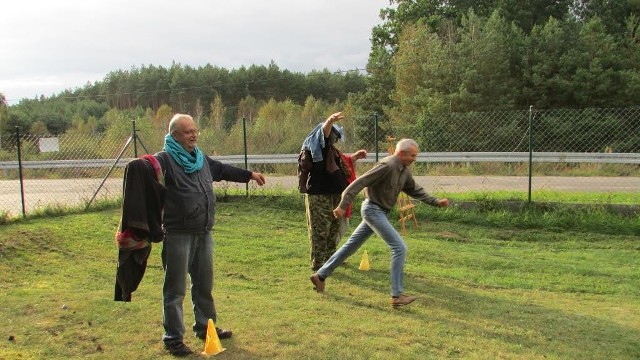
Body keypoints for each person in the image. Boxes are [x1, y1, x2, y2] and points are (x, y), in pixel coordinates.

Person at [155, 114, 266, 357]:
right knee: (175, 290)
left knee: (204, 285)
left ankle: (206, 327)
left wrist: (249, 175)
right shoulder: (163, 160)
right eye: (187, 132)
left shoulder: (200, 159)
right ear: (174, 135)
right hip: (178, 235)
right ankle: (173, 338)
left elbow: (223, 170)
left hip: (203, 232)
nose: (193, 135)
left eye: (195, 130)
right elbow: (145, 175)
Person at [309, 138, 449, 307]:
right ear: (402, 153)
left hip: (379, 212)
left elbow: (414, 190)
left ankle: (320, 275)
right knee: (399, 247)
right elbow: (359, 183)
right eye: (412, 155)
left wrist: (435, 202)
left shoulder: (403, 171)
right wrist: (342, 205)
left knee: (351, 246)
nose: (414, 159)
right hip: (372, 210)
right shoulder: (387, 165)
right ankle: (396, 295)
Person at [300, 112, 367, 271]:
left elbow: (341, 161)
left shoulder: (331, 150)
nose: (335, 140)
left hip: (335, 196)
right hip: (319, 196)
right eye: (333, 137)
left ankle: (330, 261)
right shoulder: (317, 147)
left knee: (333, 231)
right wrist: (330, 120)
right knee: (320, 232)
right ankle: (318, 266)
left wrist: (355, 157)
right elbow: (323, 134)